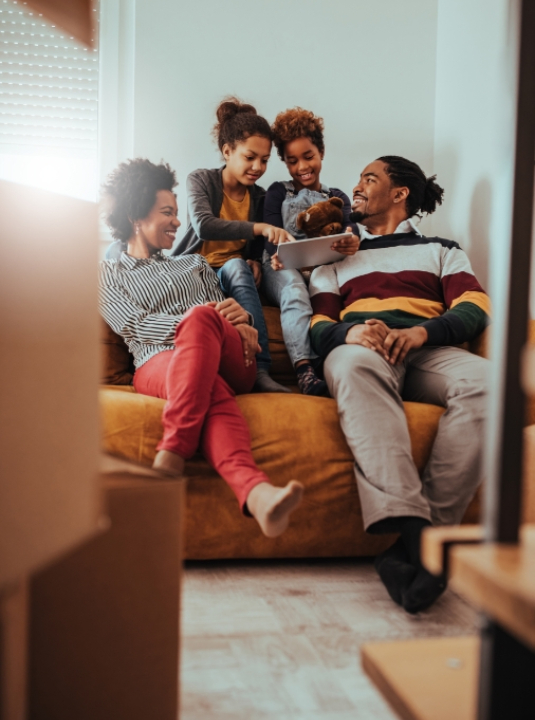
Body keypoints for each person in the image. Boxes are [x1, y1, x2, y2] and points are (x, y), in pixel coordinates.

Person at [309, 156, 490, 613]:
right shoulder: (334, 254)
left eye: (370, 178)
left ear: (400, 193)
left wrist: (421, 333)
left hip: (426, 348)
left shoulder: (442, 249)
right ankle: (415, 534)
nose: (357, 186)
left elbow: (473, 307)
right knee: (352, 367)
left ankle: (419, 544)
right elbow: (315, 323)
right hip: (362, 348)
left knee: (491, 383)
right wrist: (347, 333)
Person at [99, 158, 303, 537]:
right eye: (167, 213)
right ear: (135, 217)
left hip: (228, 358)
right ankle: (257, 494)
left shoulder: (194, 263)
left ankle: (172, 452)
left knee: (202, 319)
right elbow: (134, 325)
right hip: (157, 364)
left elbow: (220, 318)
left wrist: (241, 321)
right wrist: (196, 321)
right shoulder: (107, 274)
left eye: (177, 213)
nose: (178, 222)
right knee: (208, 380)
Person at [172, 97, 293, 394]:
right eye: (250, 157)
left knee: (240, 266)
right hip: (195, 268)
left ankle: (260, 370)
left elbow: (252, 247)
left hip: (231, 271)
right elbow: (204, 224)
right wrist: (260, 228)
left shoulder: (261, 196)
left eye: (264, 160)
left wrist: (254, 258)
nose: (258, 167)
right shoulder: (201, 180)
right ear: (227, 151)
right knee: (236, 265)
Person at [263, 107, 359, 395]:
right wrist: (279, 252)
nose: (302, 167)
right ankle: (305, 370)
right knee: (294, 288)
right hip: (280, 264)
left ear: (322, 152)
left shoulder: (337, 197)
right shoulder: (278, 193)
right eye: (292, 161)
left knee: (327, 286)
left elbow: (349, 228)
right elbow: (271, 236)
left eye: (308, 157)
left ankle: (338, 364)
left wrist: (351, 240)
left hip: (320, 265)